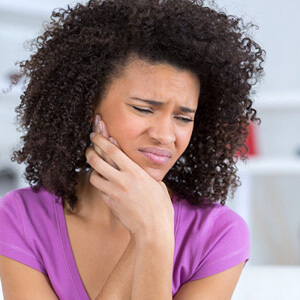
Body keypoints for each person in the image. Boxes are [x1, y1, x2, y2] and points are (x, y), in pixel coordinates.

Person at [0, 0, 265, 299]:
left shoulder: (218, 234)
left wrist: (154, 237)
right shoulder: (22, 217)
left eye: (183, 118)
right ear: (88, 106)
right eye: (143, 109)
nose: (165, 135)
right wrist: (148, 232)